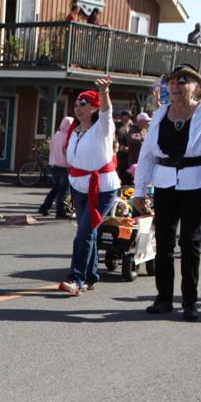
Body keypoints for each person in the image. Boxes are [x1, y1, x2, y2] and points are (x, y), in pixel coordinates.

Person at [133, 63, 201, 321]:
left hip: (195, 183)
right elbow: (147, 154)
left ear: (196, 86)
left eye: (182, 81)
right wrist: (140, 190)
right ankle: (164, 298)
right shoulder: (160, 114)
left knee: (189, 241)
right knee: (163, 241)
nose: (175, 86)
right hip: (165, 182)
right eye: (172, 82)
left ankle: (189, 301)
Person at [58, 80, 120, 295]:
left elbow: (107, 112)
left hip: (102, 188)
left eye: (83, 103)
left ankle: (76, 279)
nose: (78, 107)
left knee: (83, 232)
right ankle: (91, 275)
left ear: (94, 107)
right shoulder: (75, 131)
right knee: (88, 232)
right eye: (76, 104)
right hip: (79, 186)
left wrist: (104, 92)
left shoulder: (102, 128)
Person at [38, 116, 74, 218]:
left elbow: (51, 147)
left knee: (55, 189)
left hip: (53, 165)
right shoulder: (68, 137)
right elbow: (68, 151)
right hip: (64, 166)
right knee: (62, 191)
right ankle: (60, 212)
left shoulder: (57, 134)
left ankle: (44, 207)